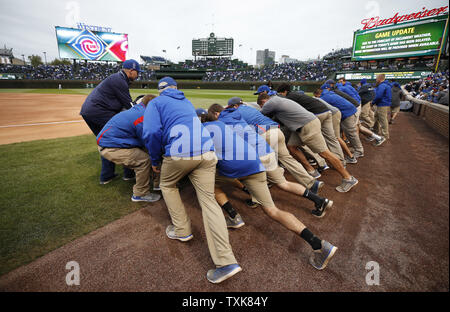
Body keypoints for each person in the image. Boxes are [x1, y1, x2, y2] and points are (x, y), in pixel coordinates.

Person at [201, 116, 338, 270]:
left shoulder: (201, 130)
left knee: (211, 183)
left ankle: (233, 216)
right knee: (272, 210)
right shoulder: (224, 124)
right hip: (255, 163)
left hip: (237, 168)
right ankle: (319, 245)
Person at [142, 77, 241, 284]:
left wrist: (154, 159)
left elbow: (151, 132)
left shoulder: (156, 103)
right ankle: (226, 261)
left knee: (167, 185)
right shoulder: (186, 101)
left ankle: (182, 230)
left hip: (180, 153)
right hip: (207, 152)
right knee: (208, 201)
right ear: (176, 88)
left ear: (160, 90)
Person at [257, 93, 358, 193]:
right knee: (291, 146)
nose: (263, 107)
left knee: (324, 153)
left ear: (263, 102)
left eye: (262, 105)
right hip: (304, 125)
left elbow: (259, 115)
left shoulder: (271, 102)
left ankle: (348, 178)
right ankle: (311, 171)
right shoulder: (278, 100)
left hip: (307, 125)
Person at [225, 97, 321, 192]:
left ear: (235, 105)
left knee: (258, 160)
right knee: (287, 159)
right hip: (277, 131)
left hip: (265, 134)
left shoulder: (236, 113)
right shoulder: (250, 108)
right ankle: (311, 182)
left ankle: (266, 184)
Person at [80, 59, 141, 184]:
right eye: (137, 72)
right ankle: (128, 174)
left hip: (91, 112)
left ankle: (107, 175)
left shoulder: (117, 78)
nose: (138, 75)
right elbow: (129, 106)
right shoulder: (119, 80)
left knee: (106, 141)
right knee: (125, 135)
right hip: (98, 112)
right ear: (131, 71)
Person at [96, 94, 161, 202]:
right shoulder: (142, 117)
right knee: (144, 160)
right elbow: (148, 141)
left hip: (114, 142)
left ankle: (157, 184)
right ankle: (140, 194)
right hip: (110, 147)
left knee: (149, 153)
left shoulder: (139, 109)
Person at [277, 83, 345, 166]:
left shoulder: (289, 97)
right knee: (331, 138)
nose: (280, 95)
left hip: (316, 115)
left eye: (280, 93)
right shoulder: (296, 94)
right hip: (326, 112)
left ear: (285, 91)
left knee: (307, 140)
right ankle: (341, 161)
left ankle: (321, 162)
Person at [313, 88, 357, 164]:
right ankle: (347, 156)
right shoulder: (327, 95)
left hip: (333, 114)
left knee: (335, 138)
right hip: (336, 113)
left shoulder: (321, 98)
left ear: (317, 94)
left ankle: (350, 157)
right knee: (335, 137)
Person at [372, 74, 392, 140]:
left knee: (383, 120)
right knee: (376, 118)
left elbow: (378, 96)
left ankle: (385, 136)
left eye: (376, 78)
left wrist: (373, 103)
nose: (376, 80)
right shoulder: (386, 85)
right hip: (384, 104)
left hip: (382, 104)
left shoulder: (382, 85)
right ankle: (375, 132)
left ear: (379, 79)